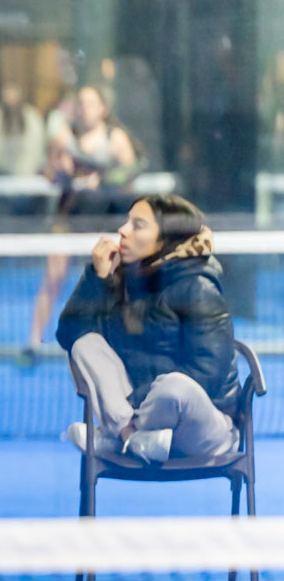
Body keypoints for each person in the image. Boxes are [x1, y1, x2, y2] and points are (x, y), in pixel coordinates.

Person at [57, 194, 239, 463]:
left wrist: (139, 404)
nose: (123, 230)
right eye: (126, 222)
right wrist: (97, 278)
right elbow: (68, 334)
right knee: (85, 345)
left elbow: (208, 374)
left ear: (165, 239)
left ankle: (121, 437)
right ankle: (132, 438)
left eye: (137, 225)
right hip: (140, 415)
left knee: (175, 386)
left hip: (203, 429)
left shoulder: (199, 288)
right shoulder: (123, 278)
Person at [26, 85, 142, 362]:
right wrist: (60, 172)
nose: (85, 109)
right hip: (69, 219)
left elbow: (130, 174)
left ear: (102, 108)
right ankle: (33, 342)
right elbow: (47, 172)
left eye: (91, 103)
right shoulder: (64, 138)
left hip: (105, 220)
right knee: (53, 278)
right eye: (81, 103)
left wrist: (103, 180)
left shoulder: (116, 139)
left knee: (116, 281)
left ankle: (122, 341)